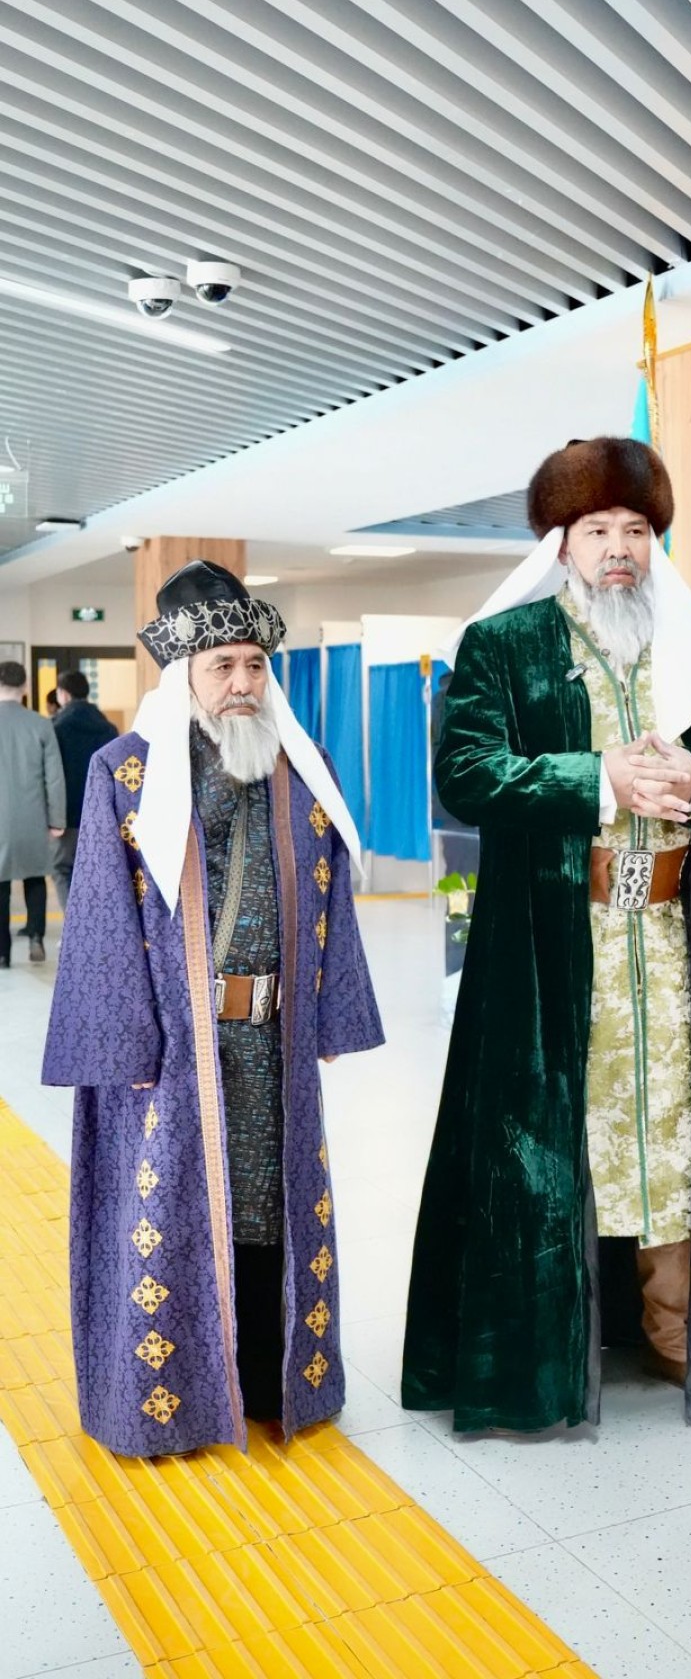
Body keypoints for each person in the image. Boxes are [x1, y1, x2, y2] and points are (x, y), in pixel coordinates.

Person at [402, 436, 691, 1433]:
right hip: (552, 946)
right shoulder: (506, 643)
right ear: (562, 543)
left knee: (674, 1127)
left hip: (673, 943)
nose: (620, 548)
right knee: (554, 1138)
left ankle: (672, 1325)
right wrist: (596, 778)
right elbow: (466, 773)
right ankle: (544, 1344)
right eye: (598, 529)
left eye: (637, 530)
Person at [42, 562, 384, 1456]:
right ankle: (176, 1401)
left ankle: (272, 1380)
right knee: (177, 1212)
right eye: (221, 665)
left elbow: (331, 893)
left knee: (265, 1205)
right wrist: (125, 1044)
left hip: (273, 1041)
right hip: (171, 1052)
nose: (241, 683)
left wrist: (331, 1012)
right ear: (183, 673)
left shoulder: (302, 769)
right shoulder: (125, 773)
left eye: (254, 665)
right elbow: (100, 919)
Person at [0, 659, 66, 967]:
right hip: (33, 815)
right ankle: (36, 937)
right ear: (25, 687)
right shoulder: (41, 724)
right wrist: (57, 819)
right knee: (36, 875)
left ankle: (2, 952)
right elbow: (54, 777)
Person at [51, 670, 119, 909]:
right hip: (101, 812)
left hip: (68, 813)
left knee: (63, 868)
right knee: (96, 871)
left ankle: (72, 924)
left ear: (63, 694)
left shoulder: (57, 727)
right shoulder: (108, 728)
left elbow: (53, 773)